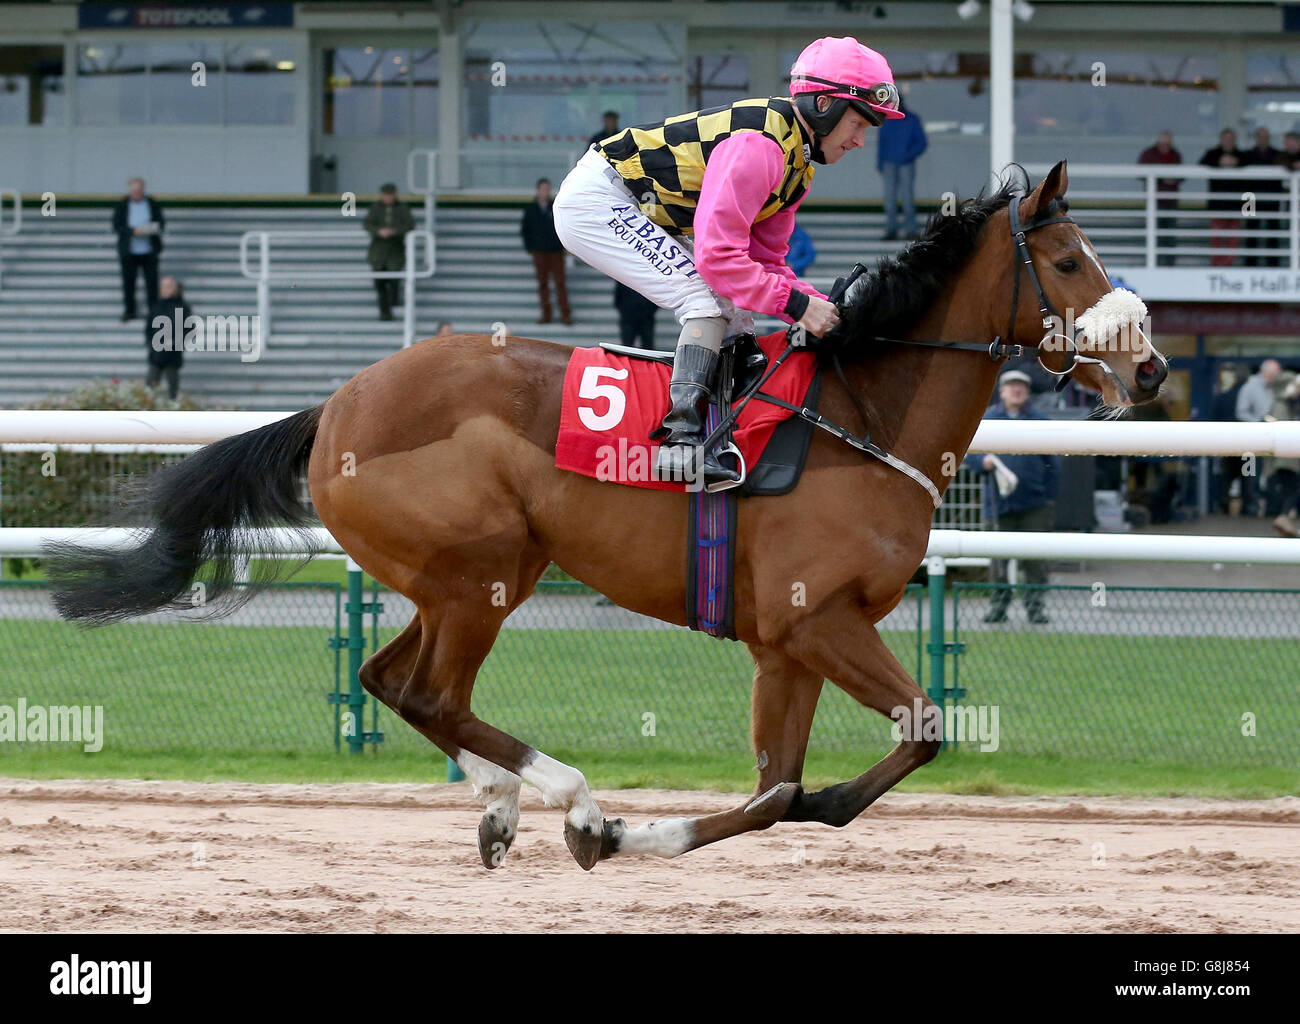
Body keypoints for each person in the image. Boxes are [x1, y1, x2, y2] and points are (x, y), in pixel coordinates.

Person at [553, 36, 902, 487]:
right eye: (859, 124)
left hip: (641, 207)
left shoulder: (799, 166)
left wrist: (826, 306)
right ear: (824, 106)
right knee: (704, 301)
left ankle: (721, 431)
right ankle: (680, 442)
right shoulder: (760, 147)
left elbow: (764, 263)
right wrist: (797, 308)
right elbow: (718, 259)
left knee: (736, 316)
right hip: (599, 200)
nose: (859, 141)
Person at [963, 369, 1060, 625]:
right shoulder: (988, 419)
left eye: (1021, 387)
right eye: (1011, 386)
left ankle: (1035, 609)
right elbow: (968, 451)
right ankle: (998, 607)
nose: (1016, 390)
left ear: (1026, 392)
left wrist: (1048, 498)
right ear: (1002, 391)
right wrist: (980, 461)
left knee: (1036, 561)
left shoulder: (1040, 422)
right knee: (998, 562)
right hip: (998, 503)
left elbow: (1054, 464)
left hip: (1034, 505)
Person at [111, 177, 164, 323]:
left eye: (139, 190)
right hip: (129, 251)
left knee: (152, 283)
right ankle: (130, 310)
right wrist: (133, 231)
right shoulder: (122, 205)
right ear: (130, 190)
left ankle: (153, 311)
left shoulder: (152, 204)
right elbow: (117, 225)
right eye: (135, 190)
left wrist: (149, 230)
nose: (137, 193)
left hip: (149, 250)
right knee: (129, 283)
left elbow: (161, 223)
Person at [1235, 358, 1283, 516]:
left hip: (1272, 440)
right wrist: (1259, 422)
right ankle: (1249, 508)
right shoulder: (1250, 387)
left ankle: (1267, 508)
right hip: (1252, 442)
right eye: (1275, 374)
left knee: (1268, 475)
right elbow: (1241, 412)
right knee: (1250, 474)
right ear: (1267, 373)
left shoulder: (1273, 389)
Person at [521, 178, 571, 325]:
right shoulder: (531, 208)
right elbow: (526, 230)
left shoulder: (554, 207)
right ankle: (546, 313)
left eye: (547, 189)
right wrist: (531, 247)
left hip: (555, 252)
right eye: (543, 189)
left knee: (560, 283)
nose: (545, 192)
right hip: (539, 252)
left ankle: (565, 313)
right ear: (538, 191)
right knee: (543, 284)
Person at [876, 97, 926, 240]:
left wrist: (908, 155)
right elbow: (882, 143)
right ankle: (891, 229)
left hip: (906, 164)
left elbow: (921, 143)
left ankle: (910, 230)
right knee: (889, 199)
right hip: (889, 164)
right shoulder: (886, 119)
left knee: (907, 197)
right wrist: (880, 163)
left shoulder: (911, 119)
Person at [363, 183, 414, 321]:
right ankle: (385, 312)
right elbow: (367, 224)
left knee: (394, 279)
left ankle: (394, 299)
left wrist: (394, 231)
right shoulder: (376, 208)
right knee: (380, 284)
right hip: (378, 251)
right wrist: (379, 231)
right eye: (386, 195)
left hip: (395, 250)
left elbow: (409, 225)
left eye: (390, 195)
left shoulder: (402, 208)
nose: (388, 197)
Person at [1199, 130, 1242, 267]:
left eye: (1231, 138)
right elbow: (1202, 164)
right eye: (1226, 138)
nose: (1228, 141)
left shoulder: (1242, 155)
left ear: (1234, 140)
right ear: (1221, 139)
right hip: (1217, 204)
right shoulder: (1213, 153)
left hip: (1237, 205)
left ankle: (1229, 263)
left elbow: (1249, 167)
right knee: (1216, 236)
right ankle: (1216, 264)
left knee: (1233, 238)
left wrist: (1236, 163)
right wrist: (1219, 162)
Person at [1138, 130, 1182, 266]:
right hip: (1154, 201)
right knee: (1153, 234)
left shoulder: (1175, 155)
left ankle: (1169, 263)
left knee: (1170, 234)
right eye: (1163, 144)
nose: (1165, 147)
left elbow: (1180, 175)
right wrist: (1162, 178)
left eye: (1168, 144)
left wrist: (1170, 178)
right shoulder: (1149, 154)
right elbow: (1140, 172)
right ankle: (1153, 262)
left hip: (1170, 201)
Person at [1242, 127, 1283, 268]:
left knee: (1273, 229)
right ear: (1256, 138)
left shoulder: (1278, 154)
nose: (1263, 139)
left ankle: (1273, 264)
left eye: (1265, 136)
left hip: (1271, 197)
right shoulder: (1247, 155)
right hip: (1250, 198)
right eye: (1260, 136)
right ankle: (1250, 264)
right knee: (1251, 229)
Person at [144, 275, 187, 401]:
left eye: (167, 287)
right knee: (150, 386)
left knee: (172, 389)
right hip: (156, 354)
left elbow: (189, 329)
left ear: (174, 289)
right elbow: (148, 328)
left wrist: (176, 342)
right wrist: (151, 343)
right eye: (163, 287)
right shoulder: (156, 306)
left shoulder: (182, 307)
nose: (164, 290)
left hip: (173, 355)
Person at [614, 282, 658, 349]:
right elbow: (618, 300)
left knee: (646, 346)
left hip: (643, 317)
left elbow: (617, 300)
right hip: (632, 318)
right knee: (628, 346)